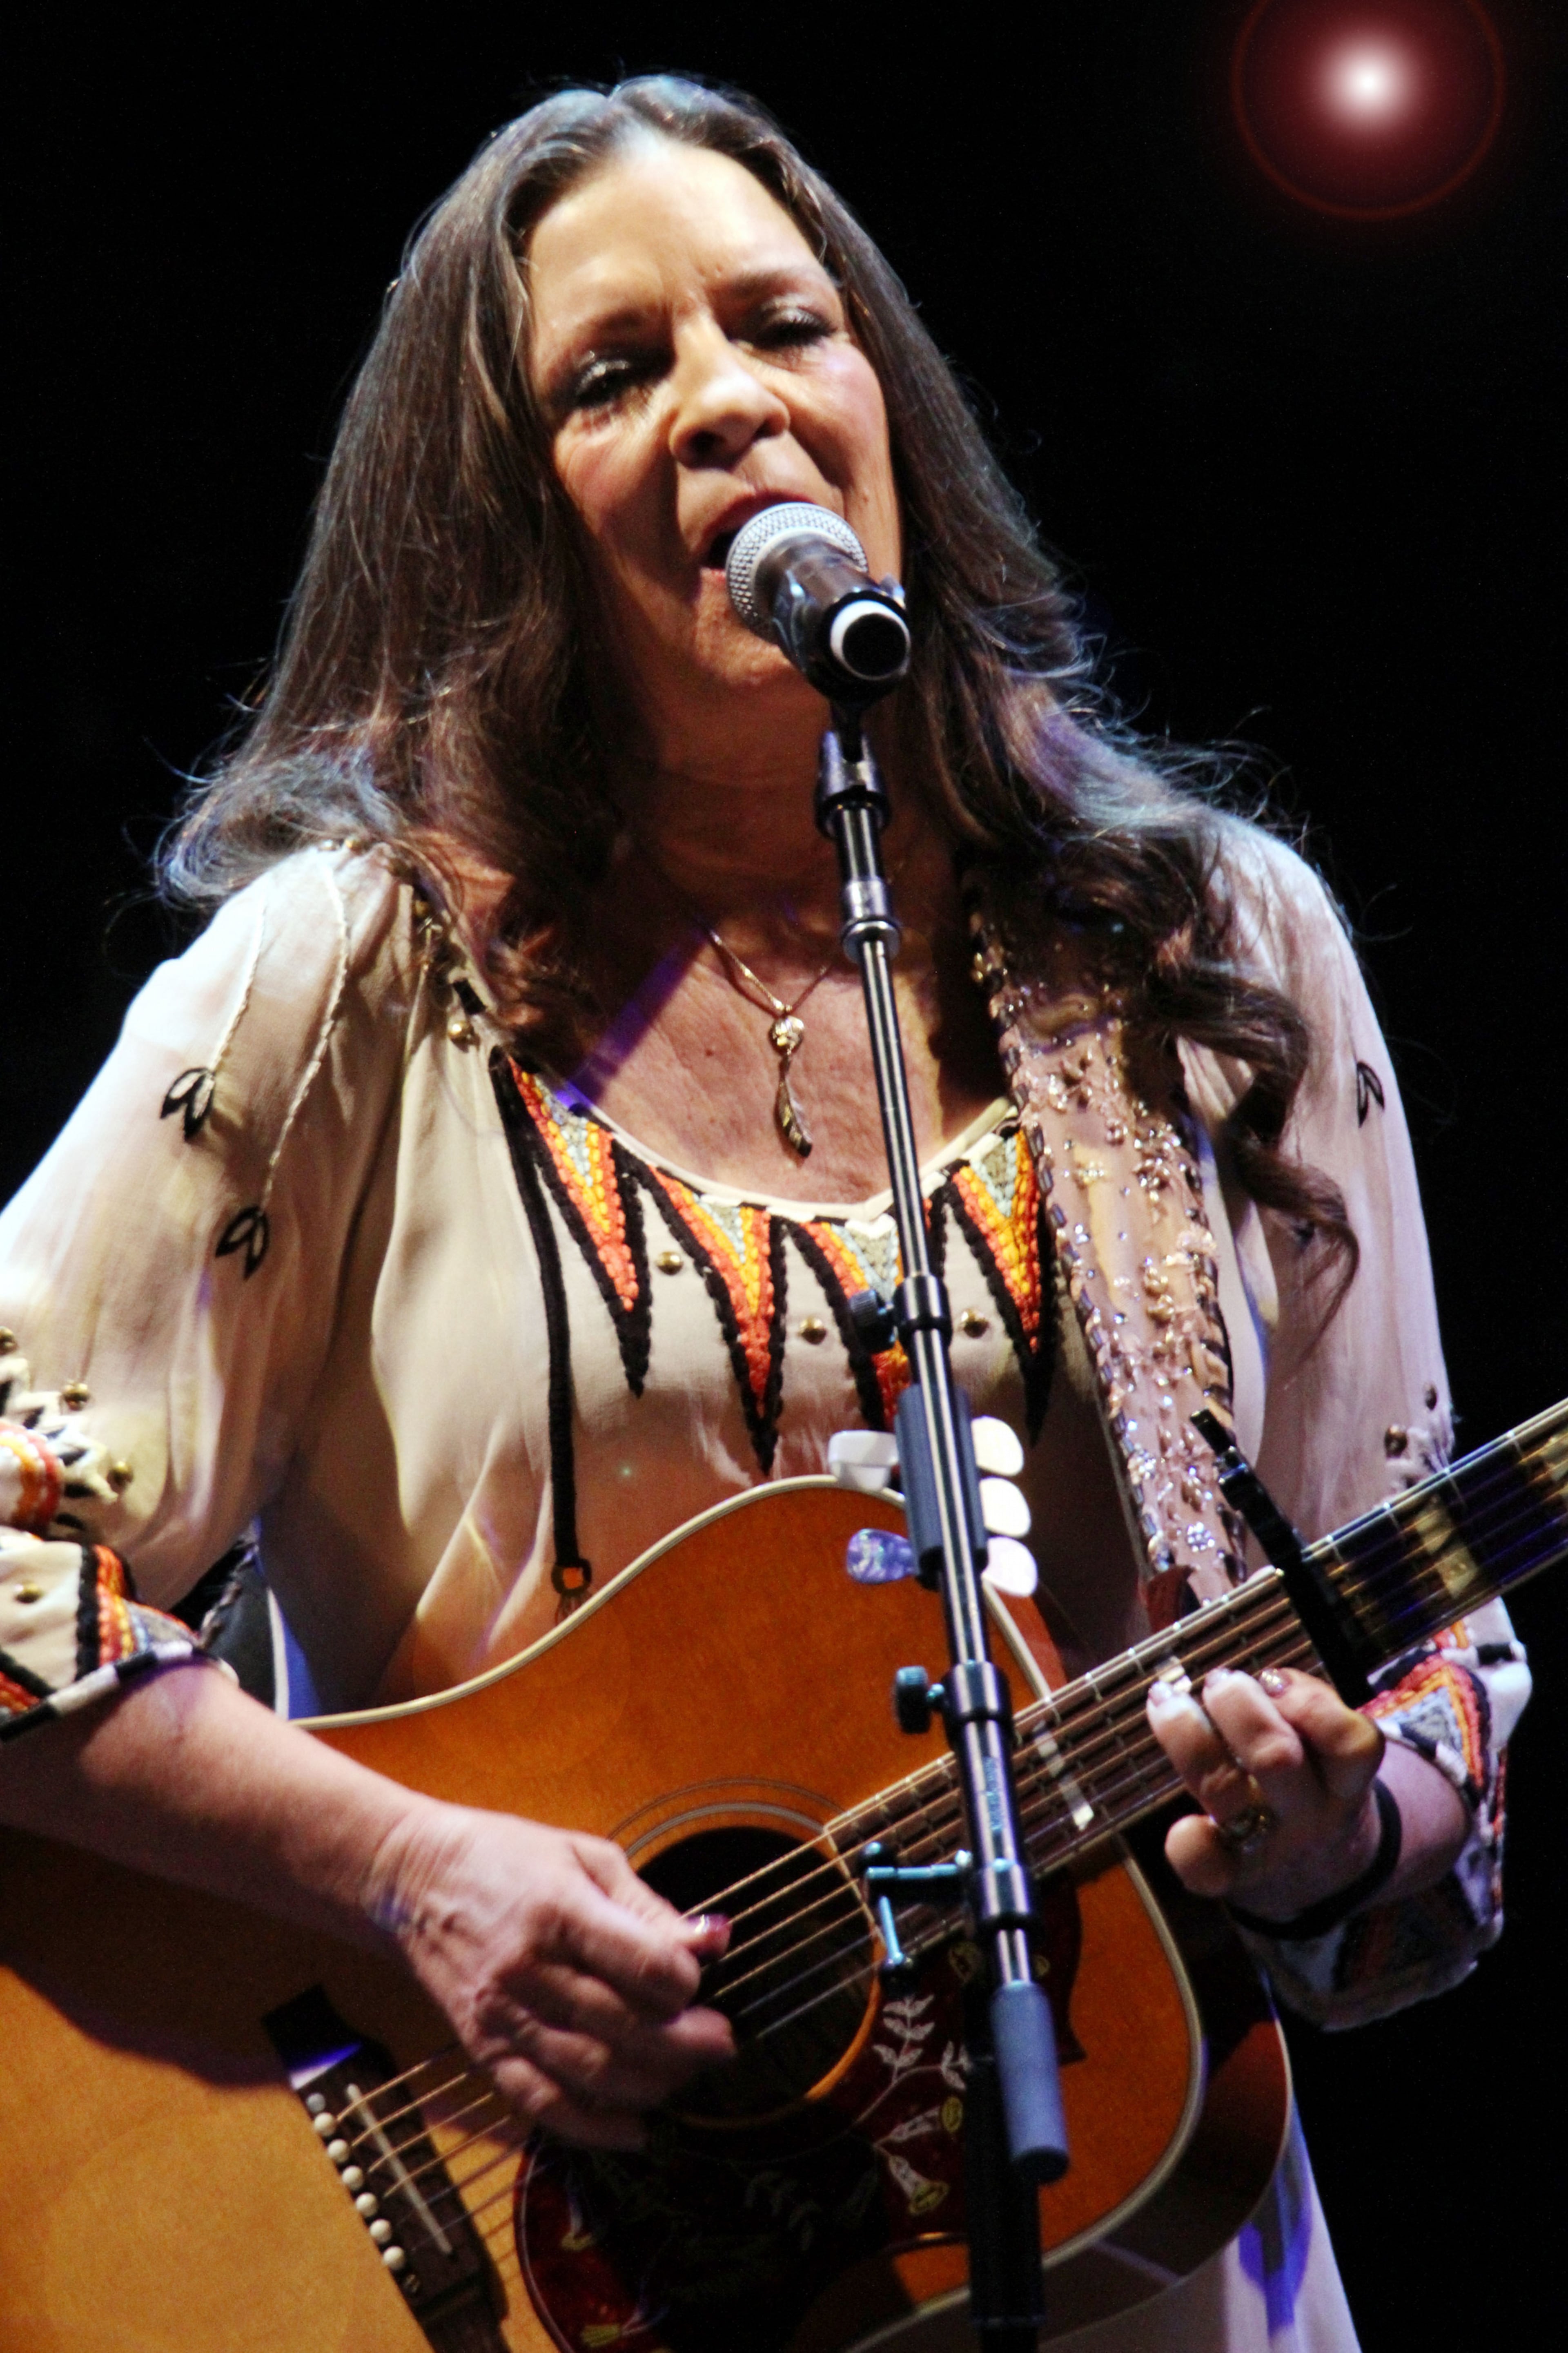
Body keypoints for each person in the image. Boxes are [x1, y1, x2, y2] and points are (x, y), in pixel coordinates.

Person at [0, 75, 1528, 2351]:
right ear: (509, 520)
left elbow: (1434, 1706)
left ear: (885, 403)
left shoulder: (1210, 956)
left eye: (784, 326)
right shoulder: (342, 986)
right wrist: (412, 1869)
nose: (734, 405)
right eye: (617, 374)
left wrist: (1339, 1835)